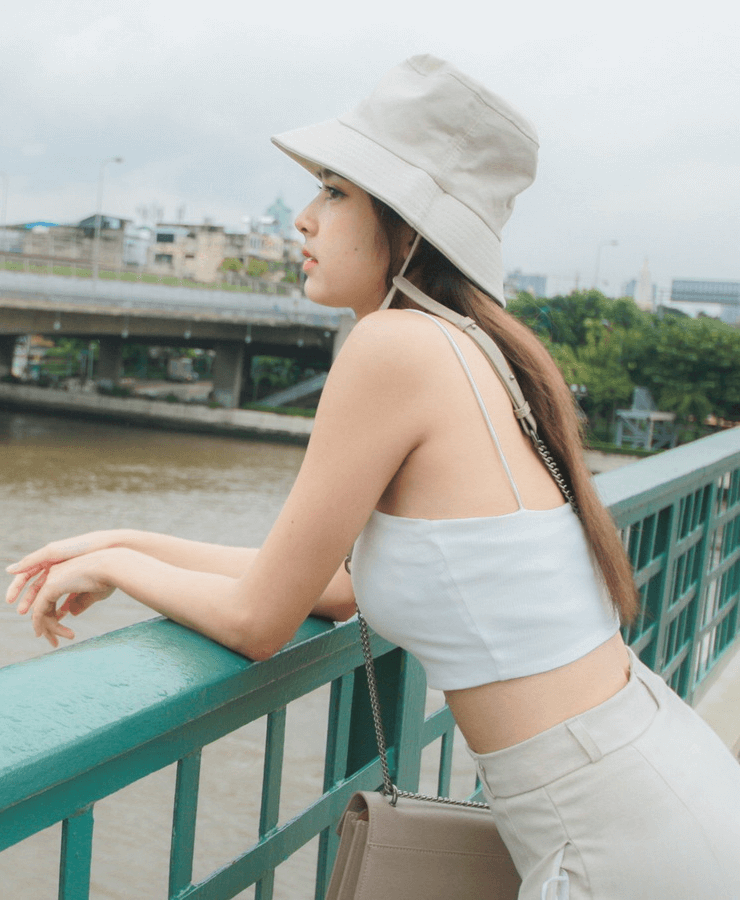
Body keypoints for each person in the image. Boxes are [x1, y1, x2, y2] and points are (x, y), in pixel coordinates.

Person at [6, 56, 740, 899]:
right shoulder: (474, 346)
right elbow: (336, 588)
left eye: (334, 192)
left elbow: (257, 622)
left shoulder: (393, 346)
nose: (304, 219)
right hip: (646, 786)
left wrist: (114, 566)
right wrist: (120, 539)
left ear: (410, 225)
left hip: (615, 843)